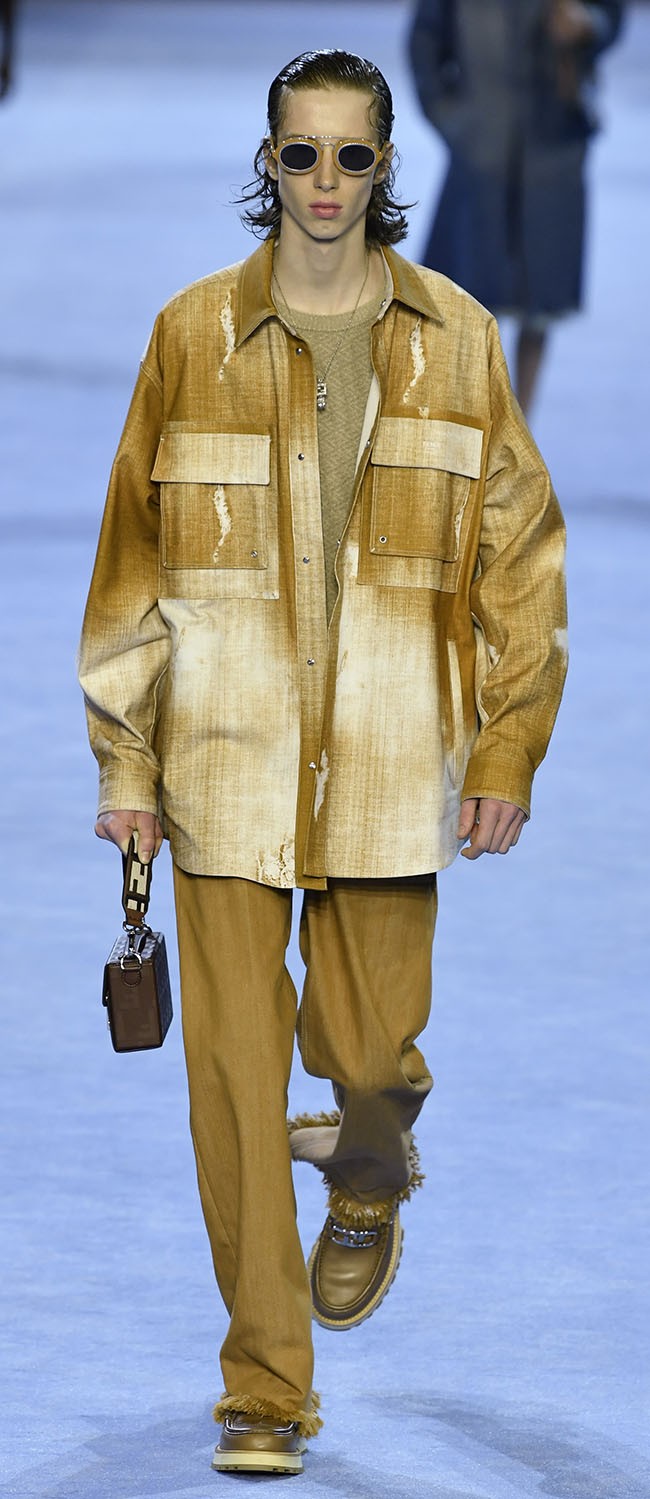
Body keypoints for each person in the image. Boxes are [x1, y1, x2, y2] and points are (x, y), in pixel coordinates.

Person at [79, 48, 567, 1477]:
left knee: (365, 1054)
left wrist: (507, 742)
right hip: (221, 764)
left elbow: (518, 560)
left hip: (391, 763)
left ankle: (365, 1166)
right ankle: (264, 1385)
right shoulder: (190, 336)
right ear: (268, 162)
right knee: (234, 1092)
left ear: (384, 168)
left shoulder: (457, 340)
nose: (326, 182)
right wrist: (126, 763)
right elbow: (131, 564)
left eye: (353, 157)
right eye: (302, 154)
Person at [408, 0, 624, 413]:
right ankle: (474, 426)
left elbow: (610, 15)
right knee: (466, 299)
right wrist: (450, 118)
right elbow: (425, 39)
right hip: (482, 148)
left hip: (553, 147)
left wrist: (587, 25)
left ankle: (519, 427)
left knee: (540, 298)